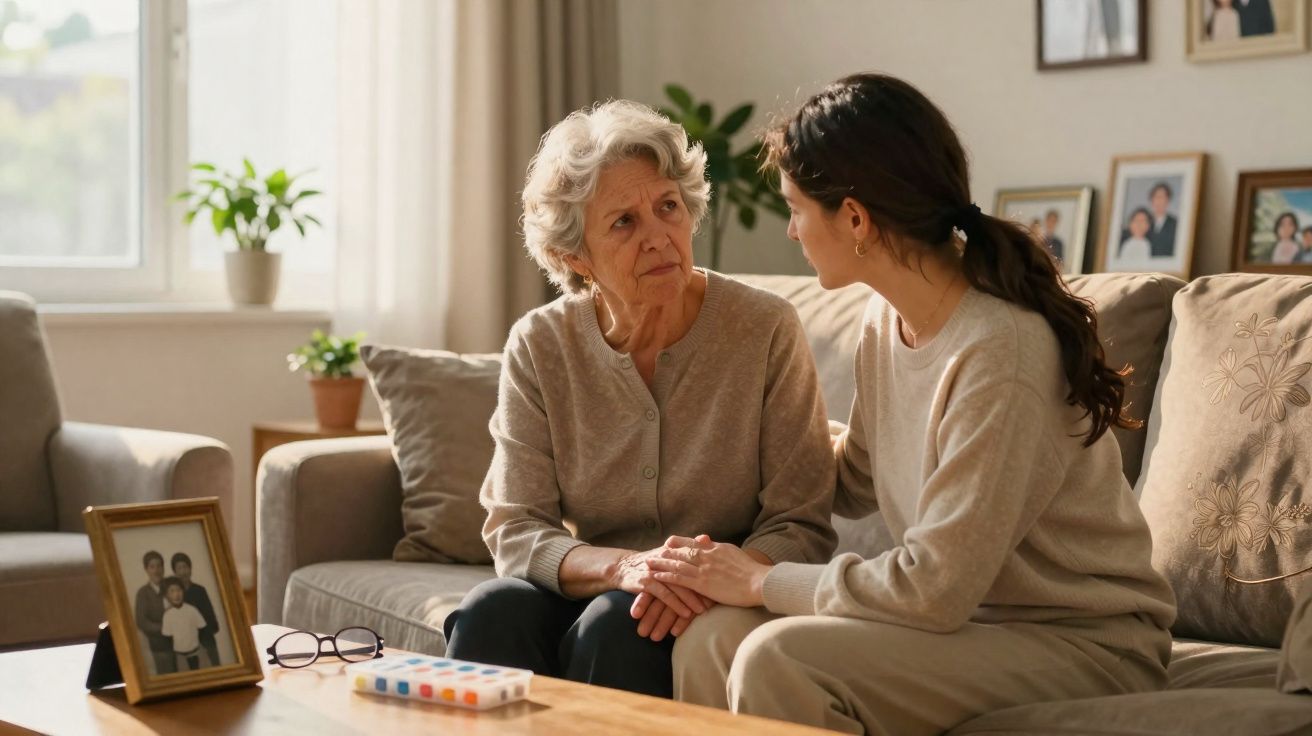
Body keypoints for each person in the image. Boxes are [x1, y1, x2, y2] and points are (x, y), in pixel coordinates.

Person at [661, 74, 1177, 735]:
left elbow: (933, 588)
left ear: (854, 218)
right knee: (712, 635)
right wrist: (733, 438)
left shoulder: (1002, 351)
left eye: (795, 209)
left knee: (777, 657)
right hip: (970, 628)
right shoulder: (886, 321)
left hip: (1086, 643)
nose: (791, 231)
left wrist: (762, 581)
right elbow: (854, 478)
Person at [441, 100, 837, 698]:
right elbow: (517, 526)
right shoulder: (541, 344)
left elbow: (799, 521)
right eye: (624, 222)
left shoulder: (765, 329)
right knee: (491, 610)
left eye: (668, 207)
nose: (659, 238)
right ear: (575, 256)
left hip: (715, 596)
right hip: (598, 579)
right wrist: (622, 568)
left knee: (620, 626)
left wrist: (700, 579)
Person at [172, 552, 220, 667]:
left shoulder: (200, 590)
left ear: (190, 569)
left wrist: (206, 634)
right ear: (175, 572)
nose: (183, 572)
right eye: (179, 568)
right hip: (187, 645)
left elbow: (211, 617)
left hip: (207, 640)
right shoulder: (174, 595)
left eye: (185, 567)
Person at [133, 550, 175, 675]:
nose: (156, 570)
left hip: (181, 644)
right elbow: (142, 622)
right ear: (146, 569)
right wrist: (163, 628)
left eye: (159, 566)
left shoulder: (172, 587)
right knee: (167, 677)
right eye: (152, 567)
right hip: (160, 646)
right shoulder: (143, 593)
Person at [161, 576, 209, 671]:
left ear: (183, 591)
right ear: (166, 595)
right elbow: (167, 637)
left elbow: (202, 628)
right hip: (180, 656)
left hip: (196, 652)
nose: (176, 594)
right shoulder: (167, 615)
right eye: (172, 591)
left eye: (179, 590)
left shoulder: (192, 610)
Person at [1146, 182, 1177, 257]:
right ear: (1152, 200)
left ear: (1168, 200)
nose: (1159, 201)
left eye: (1162, 197)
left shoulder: (1176, 224)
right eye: (1156, 197)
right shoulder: (1144, 222)